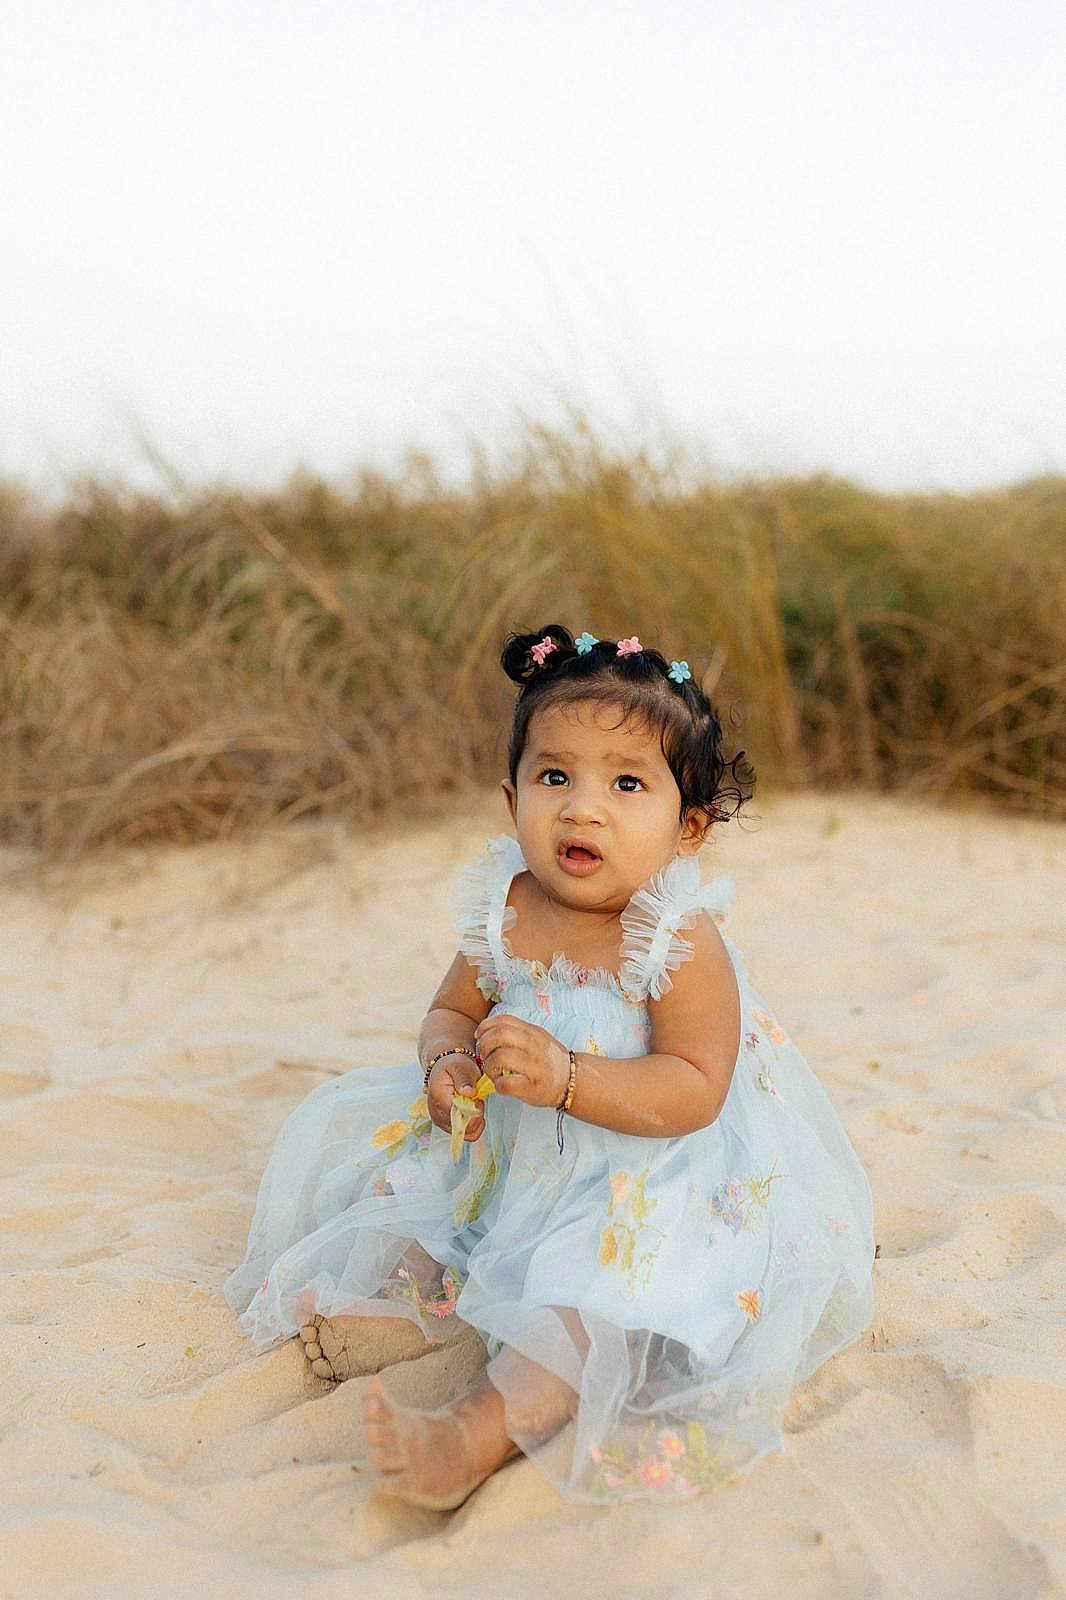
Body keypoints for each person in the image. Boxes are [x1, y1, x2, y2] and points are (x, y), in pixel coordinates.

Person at [223, 624, 875, 1509]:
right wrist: (446, 1063)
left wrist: (570, 1078)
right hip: (516, 1150)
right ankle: (410, 1319)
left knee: (581, 1304)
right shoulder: (506, 907)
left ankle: (470, 1439)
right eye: (555, 776)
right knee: (410, 1203)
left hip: (648, 1168)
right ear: (511, 796)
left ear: (688, 828)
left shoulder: (675, 938)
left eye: (627, 783)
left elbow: (695, 1087)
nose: (582, 807)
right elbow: (450, 1011)